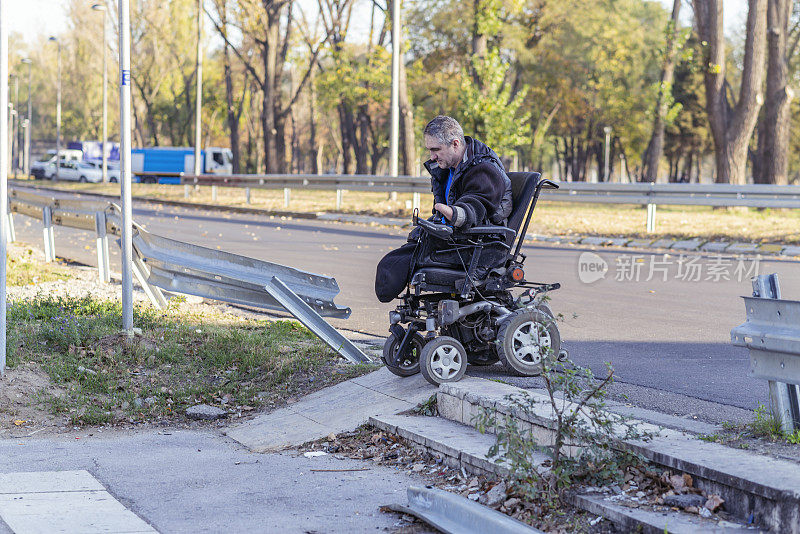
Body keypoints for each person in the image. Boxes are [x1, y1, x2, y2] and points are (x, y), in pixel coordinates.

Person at [374, 115, 512, 303]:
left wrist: (455, 214)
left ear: (455, 144)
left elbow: (476, 205)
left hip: (479, 246)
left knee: (393, 266)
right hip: (457, 240)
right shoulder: (447, 169)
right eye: (430, 150)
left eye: (436, 149)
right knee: (392, 264)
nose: (432, 156)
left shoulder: (484, 168)